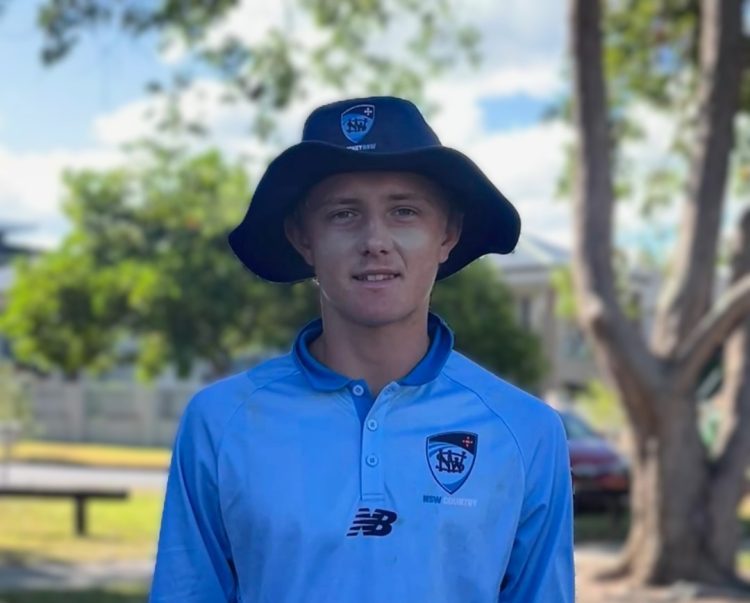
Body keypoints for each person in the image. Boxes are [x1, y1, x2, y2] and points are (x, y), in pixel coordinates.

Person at [149, 96, 574, 602]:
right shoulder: (220, 422)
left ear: (448, 234)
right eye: (343, 214)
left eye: (404, 211)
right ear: (302, 238)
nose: (375, 240)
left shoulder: (526, 431)